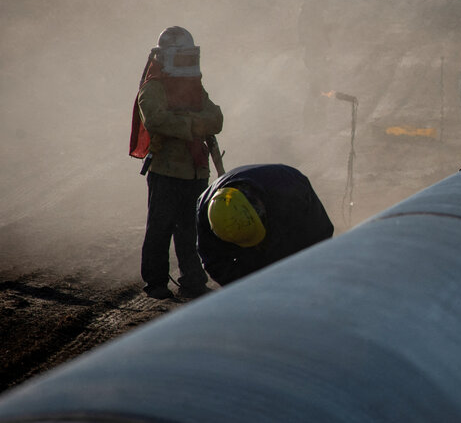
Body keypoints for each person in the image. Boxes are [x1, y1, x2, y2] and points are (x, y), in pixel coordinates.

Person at [129, 26, 222, 300]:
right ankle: (156, 283)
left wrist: (185, 122)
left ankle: (193, 281)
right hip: (166, 171)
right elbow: (156, 120)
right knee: (160, 230)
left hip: (195, 172)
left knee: (191, 231)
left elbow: (216, 119)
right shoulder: (153, 87)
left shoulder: (195, 87)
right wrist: (193, 125)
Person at [196, 164, 334, 286]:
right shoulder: (205, 211)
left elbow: (320, 237)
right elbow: (215, 263)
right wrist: (245, 288)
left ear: (263, 213)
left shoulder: (292, 194)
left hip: (285, 186)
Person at [298, 0, 337, 128]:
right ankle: (312, 122)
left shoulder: (314, 7)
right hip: (314, 53)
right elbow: (307, 31)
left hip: (316, 52)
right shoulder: (311, 7)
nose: (328, 1)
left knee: (321, 85)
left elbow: (312, 29)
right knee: (318, 85)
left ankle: (316, 121)